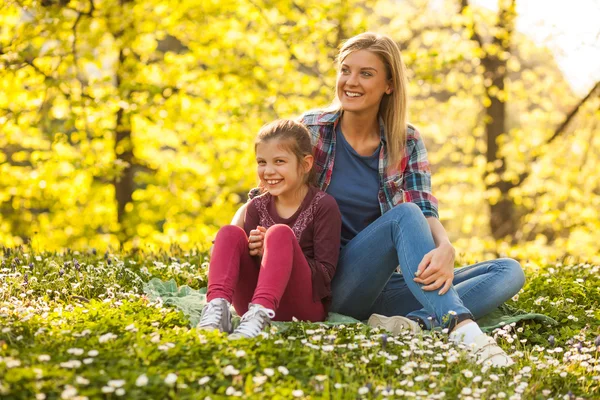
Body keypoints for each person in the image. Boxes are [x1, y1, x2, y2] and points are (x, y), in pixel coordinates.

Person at [256, 32, 524, 366]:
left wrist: (445, 248)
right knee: (404, 215)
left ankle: (413, 324)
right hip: (326, 281)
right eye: (345, 70)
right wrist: (243, 231)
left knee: (508, 270)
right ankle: (463, 330)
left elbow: (424, 206)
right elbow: (270, 189)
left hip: (381, 283)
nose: (351, 82)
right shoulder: (312, 129)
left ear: (389, 85)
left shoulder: (406, 140)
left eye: (366, 73)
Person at [198, 119, 342, 339]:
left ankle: (261, 314)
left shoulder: (323, 206)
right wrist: (255, 252)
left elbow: (325, 274)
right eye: (262, 162)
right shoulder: (256, 206)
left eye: (279, 161)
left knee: (279, 233)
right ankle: (217, 310)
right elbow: (246, 266)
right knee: (229, 232)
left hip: (303, 308)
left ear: (305, 164)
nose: (268, 171)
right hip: (251, 304)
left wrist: (279, 251)